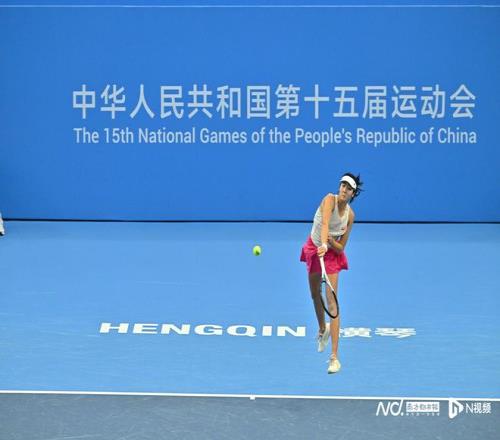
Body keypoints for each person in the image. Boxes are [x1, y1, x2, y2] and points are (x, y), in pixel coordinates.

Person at [300, 173, 363, 374]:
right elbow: (325, 223)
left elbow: (342, 247)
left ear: (353, 194)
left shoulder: (350, 216)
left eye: (349, 188)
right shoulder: (329, 200)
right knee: (314, 294)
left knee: (332, 303)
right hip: (315, 247)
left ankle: (334, 358)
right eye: (343, 185)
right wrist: (323, 243)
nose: (344, 190)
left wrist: (330, 244)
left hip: (331, 255)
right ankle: (322, 329)